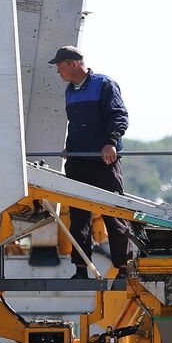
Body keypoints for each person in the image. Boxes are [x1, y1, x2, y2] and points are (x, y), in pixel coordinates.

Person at [49, 45, 134, 279]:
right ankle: (80, 268)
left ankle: (123, 268)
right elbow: (77, 126)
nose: (58, 72)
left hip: (103, 161)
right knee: (78, 218)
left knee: (114, 215)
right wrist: (71, 148)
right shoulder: (70, 91)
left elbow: (118, 116)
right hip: (78, 162)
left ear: (73, 64)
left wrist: (111, 143)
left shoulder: (104, 84)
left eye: (60, 66)